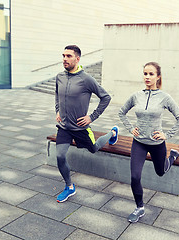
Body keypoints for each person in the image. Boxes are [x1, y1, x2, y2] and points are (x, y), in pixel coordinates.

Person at [118, 62, 179, 223]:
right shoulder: (136, 96)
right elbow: (122, 112)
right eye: (145, 74)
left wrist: (166, 135)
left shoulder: (164, 97)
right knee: (135, 177)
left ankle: (172, 157)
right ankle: (139, 207)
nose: (147, 77)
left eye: (151, 74)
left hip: (157, 144)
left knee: (160, 172)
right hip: (139, 142)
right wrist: (130, 128)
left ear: (158, 77)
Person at [55, 45, 118, 203]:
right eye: (63, 55)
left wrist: (92, 117)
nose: (64, 59)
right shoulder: (59, 77)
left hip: (80, 128)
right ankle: (70, 187)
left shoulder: (86, 79)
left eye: (68, 56)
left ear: (77, 59)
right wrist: (57, 110)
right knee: (60, 156)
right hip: (64, 127)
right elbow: (57, 94)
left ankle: (112, 133)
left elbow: (106, 97)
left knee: (94, 148)